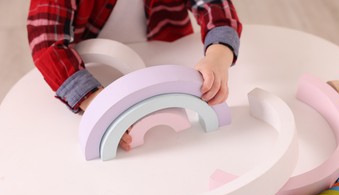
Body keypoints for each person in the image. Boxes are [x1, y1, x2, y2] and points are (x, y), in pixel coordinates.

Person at [27, 0, 242, 151]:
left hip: (162, 55)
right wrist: (95, 101)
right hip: (92, 70)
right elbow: (45, 41)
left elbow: (214, 4)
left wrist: (219, 53)